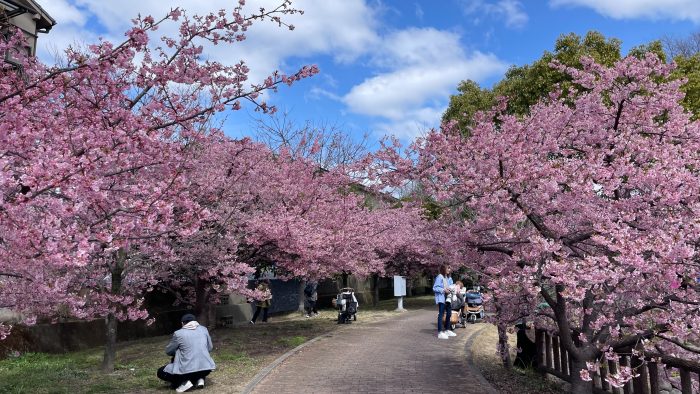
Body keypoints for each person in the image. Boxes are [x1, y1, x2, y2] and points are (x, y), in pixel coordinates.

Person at [157, 313, 216, 392]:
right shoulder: (204, 329)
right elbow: (210, 347)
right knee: (197, 363)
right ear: (196, 321)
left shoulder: (178, 333)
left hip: (188, 369)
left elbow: (169, 351)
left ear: (182, 323)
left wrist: (178, 352)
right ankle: (200, 379)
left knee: (161, 372)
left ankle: (184, 382)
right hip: (206, 368)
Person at [433, 265, 456, 339]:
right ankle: (440, 332)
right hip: (442, 298)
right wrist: (443, 290)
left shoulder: (448, 277)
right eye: (448, 268)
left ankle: (447, 330)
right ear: (443, 269)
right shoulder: (439, 277)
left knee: (449, 314)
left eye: (450, 268)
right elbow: (435, 287)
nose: (449, 269)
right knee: (441, 314)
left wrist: (452, 287)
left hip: (448, 298)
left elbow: (451, 285)